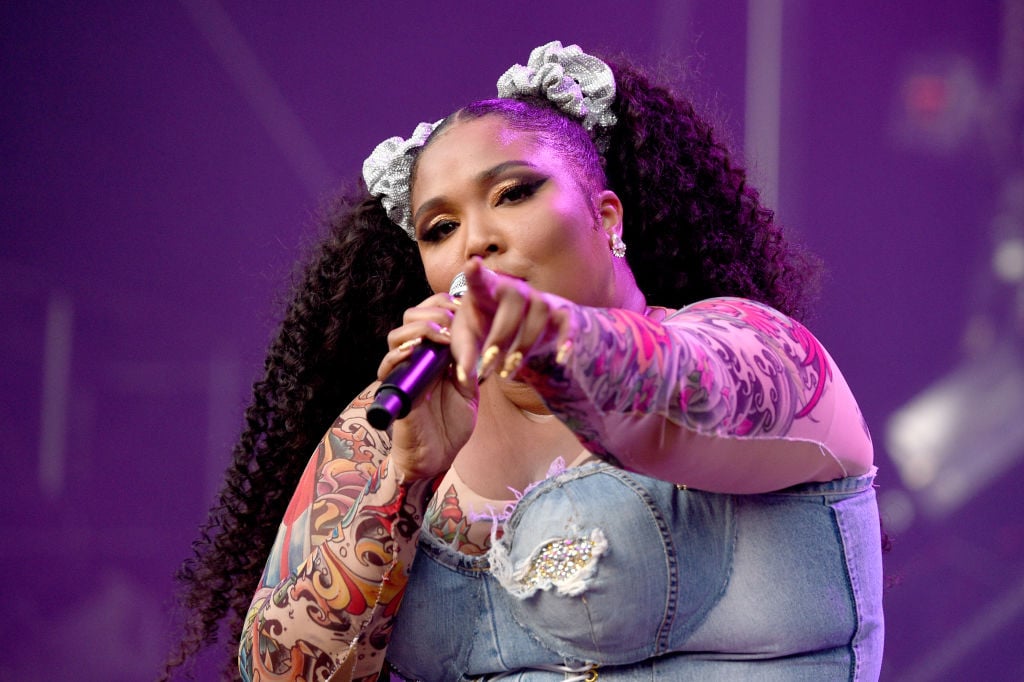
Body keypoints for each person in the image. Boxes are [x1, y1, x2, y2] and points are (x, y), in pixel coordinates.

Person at [164, 41, 884, 681]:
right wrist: (403, 479)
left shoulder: (759, 348)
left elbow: (676, 401)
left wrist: (550, 343)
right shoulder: (396, 421)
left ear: (607, 217)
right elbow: (285, 673)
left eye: (513, 193)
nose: (474, 240)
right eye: (439, 228)